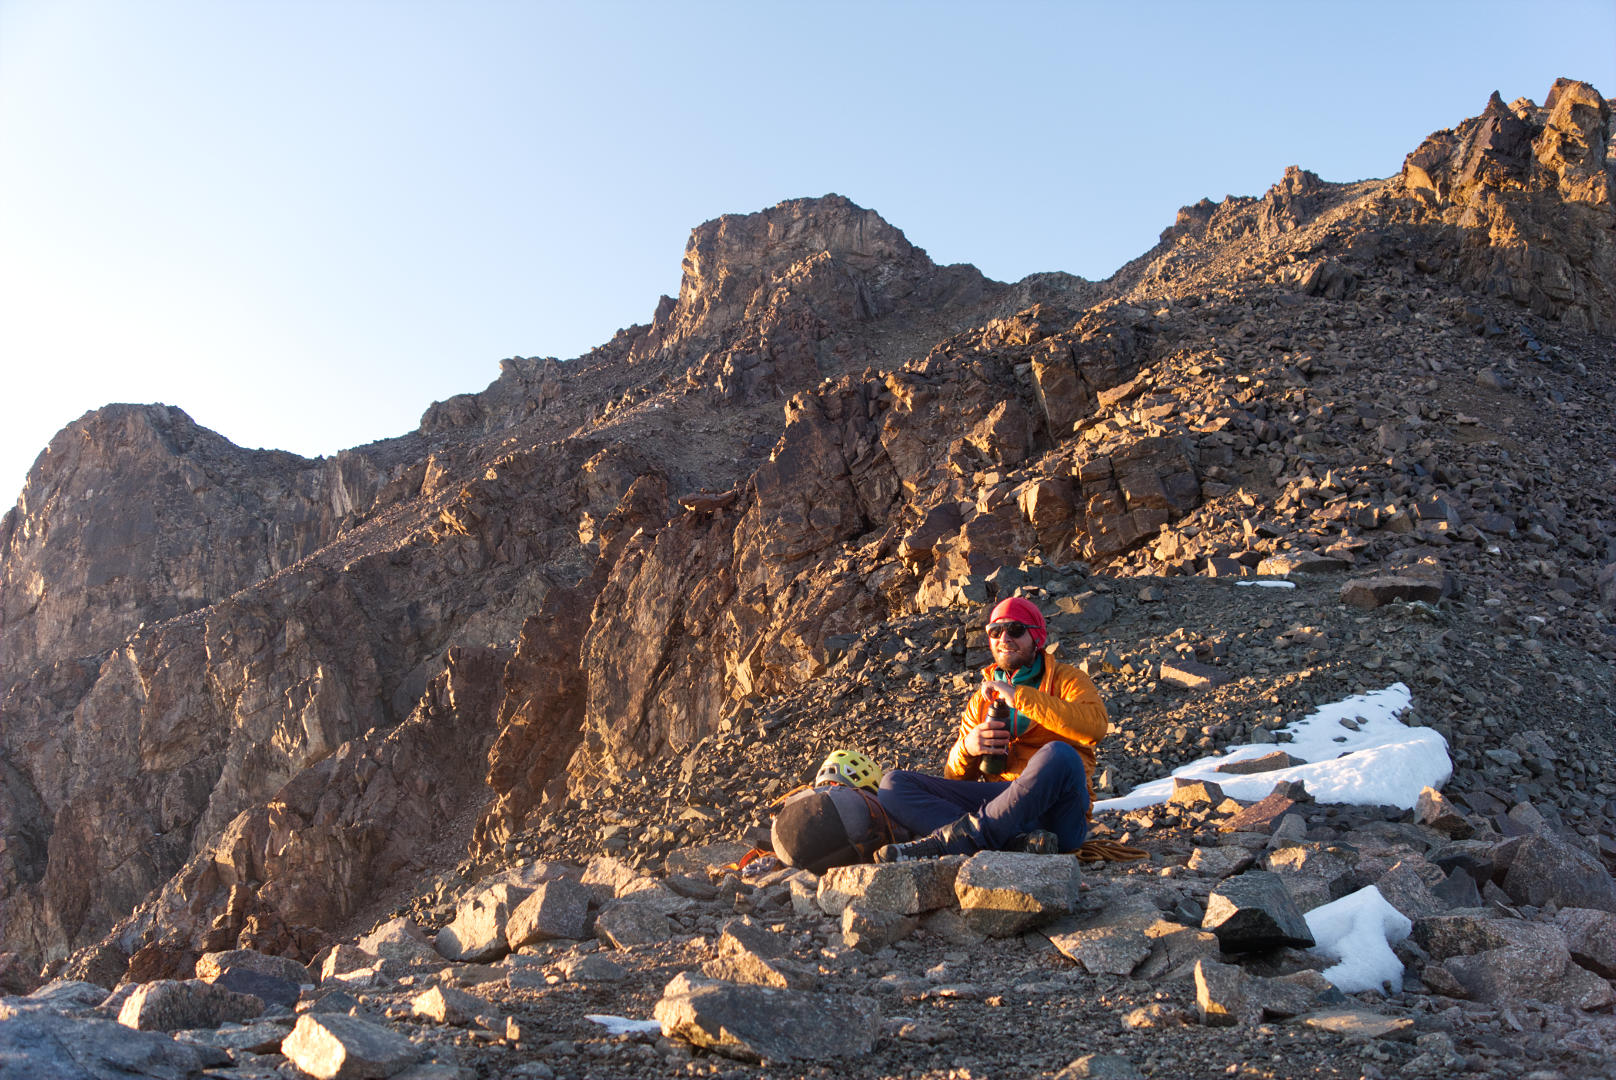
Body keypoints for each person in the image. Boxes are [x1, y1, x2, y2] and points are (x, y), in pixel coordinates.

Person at [874, 595, 1108, 861]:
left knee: (1060, 755)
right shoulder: (981, 700)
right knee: (894, 784)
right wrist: (967, 748)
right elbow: (957, 781)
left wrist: (1017, 696)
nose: (1004, 638)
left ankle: (953, 842)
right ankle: (1012, 843)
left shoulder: (1067, 679)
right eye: (995, 631)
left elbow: (1095, 726)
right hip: (1004, 805)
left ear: (1037, 638)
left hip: (1058, 812)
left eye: (1016, 630)